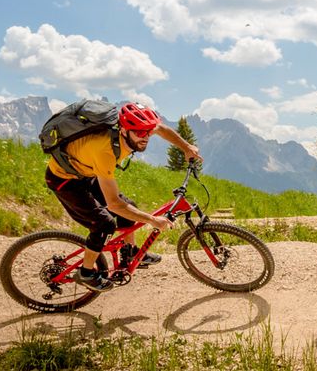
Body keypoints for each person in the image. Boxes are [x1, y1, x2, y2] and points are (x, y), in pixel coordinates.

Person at [45, 102, 201, 290]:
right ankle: (85, 273)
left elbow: (160, 129)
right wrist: (152, 220)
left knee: (130, 205)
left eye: (147, 132)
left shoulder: (135, 129)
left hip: (85, 172)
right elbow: (114, 204)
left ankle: (131, 253)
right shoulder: (105, 151)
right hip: (64, 181)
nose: (145, 137)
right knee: (104, 224)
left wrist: (186, 147)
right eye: (140, 133)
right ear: (125, 130)